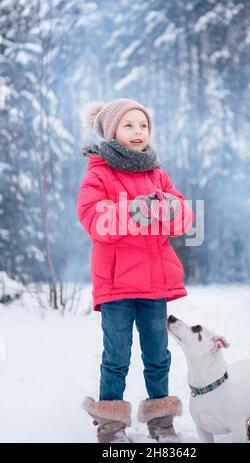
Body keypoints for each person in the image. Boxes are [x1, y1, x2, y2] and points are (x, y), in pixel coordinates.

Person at [77, 98, 194, 443]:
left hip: (154, 284)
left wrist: (171, 207)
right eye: (129, 125)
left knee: (158, 355)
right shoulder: (99, 172)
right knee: (116, 356)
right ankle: (110, 425)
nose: (138, 131)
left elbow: (184, 218)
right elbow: (95, 221)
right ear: (112, 131)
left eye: (143, 125)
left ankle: (161, 421)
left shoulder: (157, 172)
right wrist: (136, 209)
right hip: (116, 285)